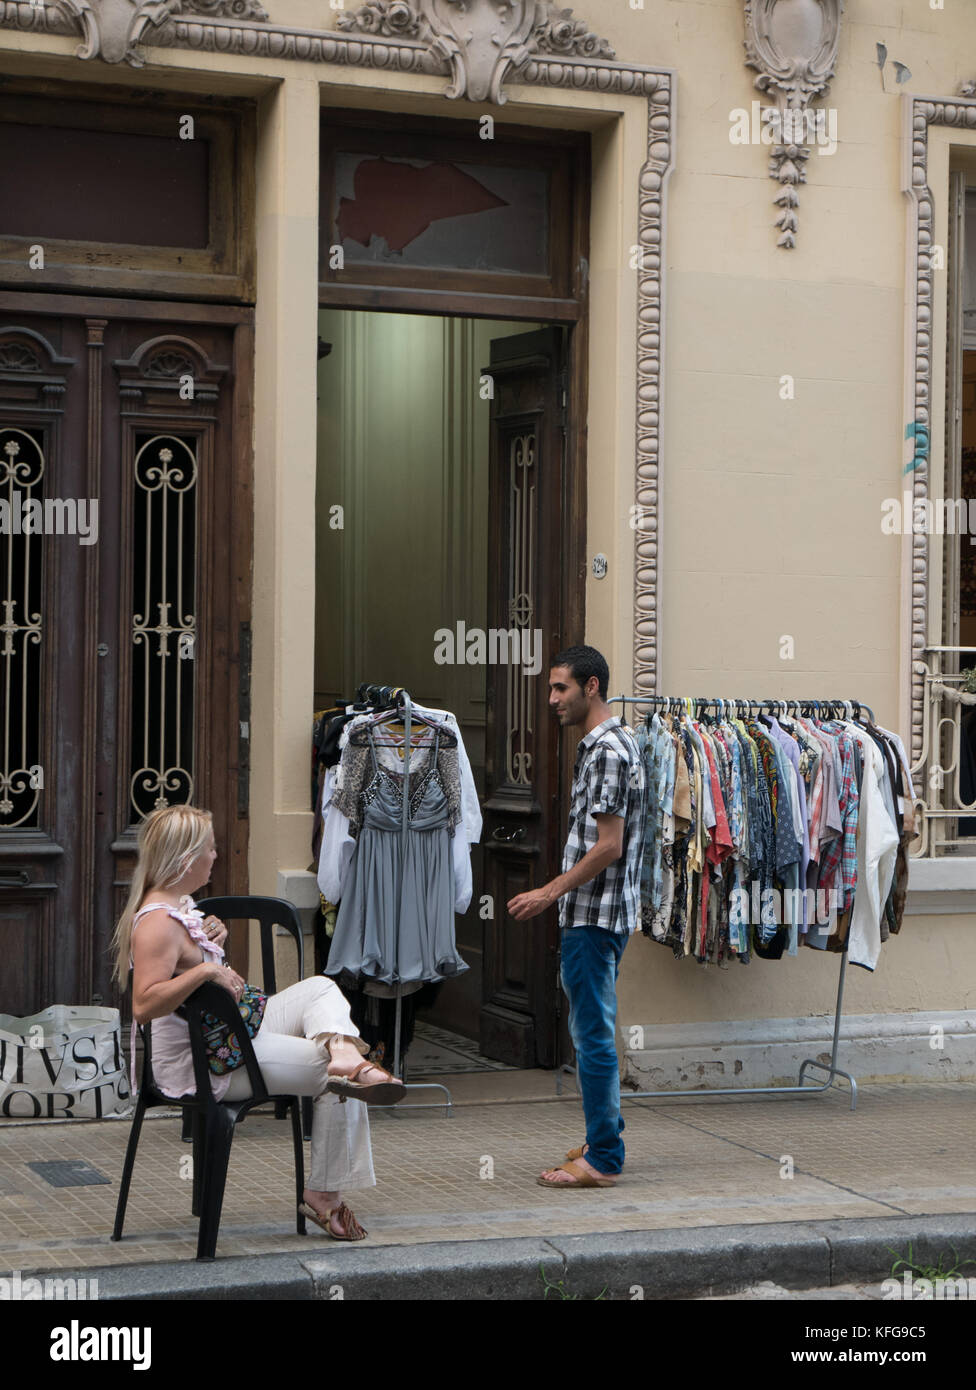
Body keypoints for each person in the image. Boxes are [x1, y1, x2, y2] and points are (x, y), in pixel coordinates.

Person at [112, 804, 405, 1241]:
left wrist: (211, 941)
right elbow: (144, 1005)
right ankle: (324, 1194)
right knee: (344, 1084)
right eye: (210, 849)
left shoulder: (178, 905)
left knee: (323, 990)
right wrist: (206, 971)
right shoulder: (156, 923)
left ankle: (345, 1054)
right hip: (206, 1062)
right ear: (187, 859)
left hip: (236, 1031)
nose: (216, 855)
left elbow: (186, 957)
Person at [507, 645, 646, 1189]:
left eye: (560, 688)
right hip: (599, 913)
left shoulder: (608, 750)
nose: (552, 700)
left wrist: (548, 892)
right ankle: (602, 1136)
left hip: (594, 916)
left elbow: (608, 845)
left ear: (591, 688)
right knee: (590, 1029)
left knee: (591, 1036)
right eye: (550, 688)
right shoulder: (612, 744)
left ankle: (603, 1160)